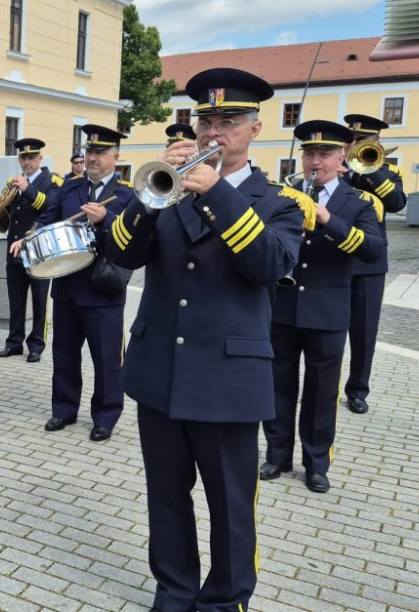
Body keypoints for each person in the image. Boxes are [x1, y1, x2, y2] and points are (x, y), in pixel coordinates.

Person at [100, 68, 307, 611]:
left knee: (231, 505)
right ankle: (173, 591)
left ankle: (225, 601)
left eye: (229, 122)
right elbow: (121, 254)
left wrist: (215, 192)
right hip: (159, 373)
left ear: (254, 129)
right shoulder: (167, 192)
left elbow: (268, 265)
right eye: (206, 120)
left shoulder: (276, 201)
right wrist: (148, 197)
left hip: (227, 379)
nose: (215, 132)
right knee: (166, 499)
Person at [262, 120, 384, 494]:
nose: (316, 161)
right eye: (309, 153)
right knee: (278, 386)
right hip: (283, 307)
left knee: (321, 393)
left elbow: (372, 250)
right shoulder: (284, 194)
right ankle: (277, 454)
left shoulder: (360, 201)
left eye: (324, 154)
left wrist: (327, 218)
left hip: (327, 311)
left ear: (341, 156)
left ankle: (316, 462)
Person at [11, 125, 133, 440]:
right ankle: (64, 410)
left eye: (100, 152)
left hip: (104, 289)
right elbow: (48, 217)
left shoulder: (128, 194)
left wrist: (106, 222)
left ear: (116, 157)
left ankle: (105, 416)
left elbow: (133, 241)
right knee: (64, 354)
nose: (92, 158)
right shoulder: (70, 187)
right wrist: (31, 234)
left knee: (107, 359)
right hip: (66, 285)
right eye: (89, 152)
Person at [340, 113, 407, 414]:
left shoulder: (388, 173)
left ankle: (357, 390)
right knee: (326, 327)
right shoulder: (335, 168)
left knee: (364, 331)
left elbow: (396, 203)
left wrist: (369, 167)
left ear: (376, 143)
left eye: (361, 141)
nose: (354, 145)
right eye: (351, 140)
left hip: (369, 266)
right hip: (336, 259)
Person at [0, 138, 60, 362]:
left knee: (39, 301)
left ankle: (36, 345)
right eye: (23, 158)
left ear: (40, 158)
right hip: (14, 250)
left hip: (39, 251)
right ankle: (14, 343)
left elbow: (50, 208)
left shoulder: (51, 181)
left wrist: (28, 188)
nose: (27, 162)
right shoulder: (14, 181)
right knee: (15, 300)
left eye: (32, 157)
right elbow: (8, 215)